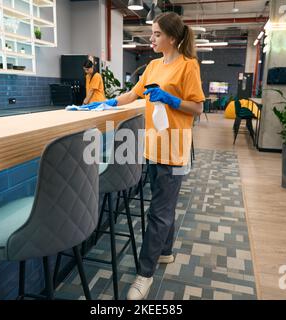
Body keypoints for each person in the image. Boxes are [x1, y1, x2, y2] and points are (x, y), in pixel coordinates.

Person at [83, 12, 204, 300]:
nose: (151, 38)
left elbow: (197, 107)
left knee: (159, 212)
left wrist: (172, 100)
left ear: (172, 38)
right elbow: (132, 94)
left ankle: (144, 274)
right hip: (153, 147)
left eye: (157, 34)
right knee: (163, 205)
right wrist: (105, 104)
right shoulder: (152, 65)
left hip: (174, 150)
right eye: (152, 33)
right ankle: (165, 252)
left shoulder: (189, 66)